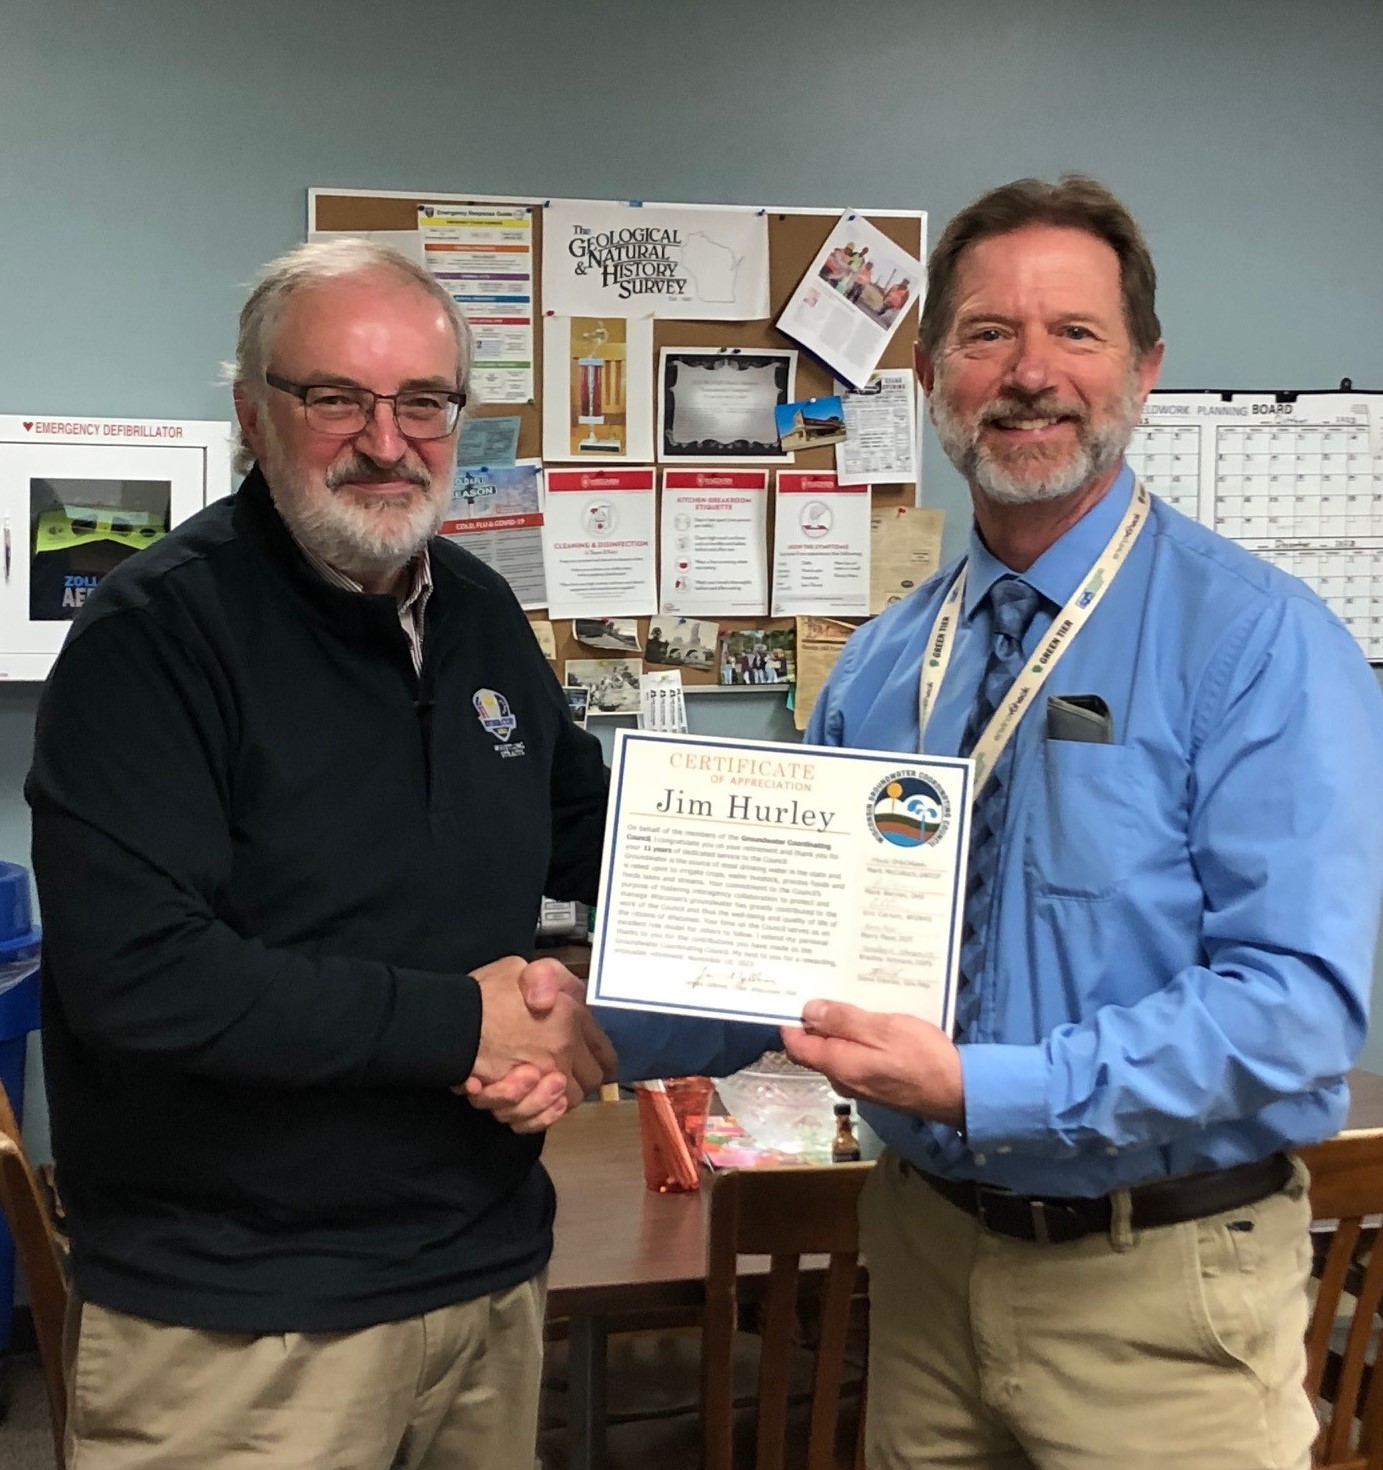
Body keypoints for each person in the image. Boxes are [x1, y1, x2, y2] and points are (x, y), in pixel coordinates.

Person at [785, 176, 1383, 1469]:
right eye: (988, 333)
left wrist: (981, 1086)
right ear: (934, 368)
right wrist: (590, 1022)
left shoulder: (1255, 643)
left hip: (1160, 1295)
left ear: (1142, 367)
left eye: (1073, 332)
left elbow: (1291, 1007)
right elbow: (791, 935)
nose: (1028, 373)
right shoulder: (882, 666)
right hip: (924, 1265)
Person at [26, 238, 621, 1469]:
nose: (386, 440)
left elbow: (597, 840)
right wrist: (466, 1026)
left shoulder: (481, 616)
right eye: (336, 396)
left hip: (485, 1283)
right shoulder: (153, 639)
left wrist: (598, 1002)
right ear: (252, 411)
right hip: (241, 1332)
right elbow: (141, 976)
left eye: (423, 402)